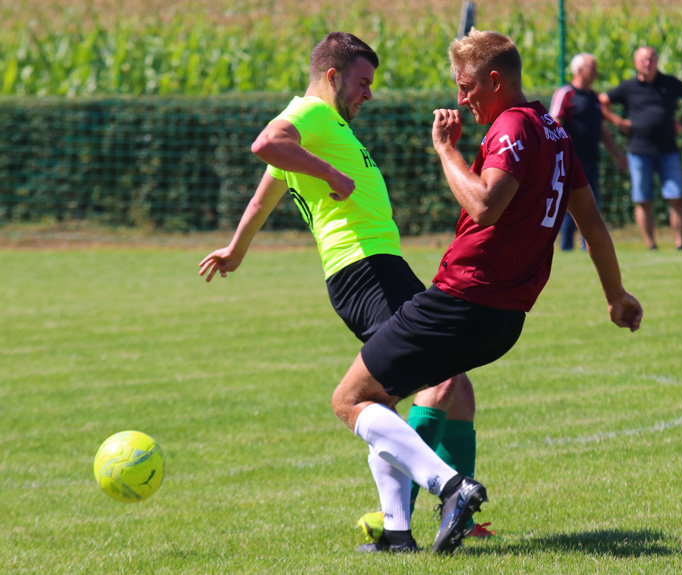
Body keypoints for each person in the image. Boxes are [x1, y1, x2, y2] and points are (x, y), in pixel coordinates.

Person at [330, 29, 642, 555]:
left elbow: (484, 205)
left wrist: (446, 150)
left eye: (467, 85)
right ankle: (400, 534)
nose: (461, 97)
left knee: (351, 399)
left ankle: (451, 487)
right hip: (505, 320)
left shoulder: (513, 128)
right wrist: (616, 295)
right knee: (398, 400)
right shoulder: (555, 133)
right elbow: (592, 224)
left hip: (463, 300)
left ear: (495, 80)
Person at [197, 32, 488, 554]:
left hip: (379, 271)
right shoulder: (309, 113)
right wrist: (331, 174)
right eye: (362, 82)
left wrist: (237, 248)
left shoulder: (322, 126)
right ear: (332, 77)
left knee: (416, 390)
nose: (368, 95)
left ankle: (400, 532)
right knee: (406, 389)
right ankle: (451, 489)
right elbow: (266, 144)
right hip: (365, 273)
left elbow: (270, 183)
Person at [599, 46, 682, 250]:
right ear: (636, 63)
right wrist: (618, 122)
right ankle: (650, 245)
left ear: (657, 61)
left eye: (651, 59)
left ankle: (680, 244)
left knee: (675, 197)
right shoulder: (628, 87)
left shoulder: (669, 83)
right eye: (643, 60)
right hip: (639, 151)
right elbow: (602, 102)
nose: (648, 63)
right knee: (643, 200)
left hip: (668, 150)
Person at [550, 52, 627, 251]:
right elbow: (554, 124)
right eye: (592, 68)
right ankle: (566, 248)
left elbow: (601, 130)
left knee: (591, 207)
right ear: (578, 70)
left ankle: (589, 247)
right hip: (569, 161)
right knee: (570, 207)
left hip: (592, 161)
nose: (596, 72)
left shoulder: (594, 97)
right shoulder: (565, 93)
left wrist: (617, 155)